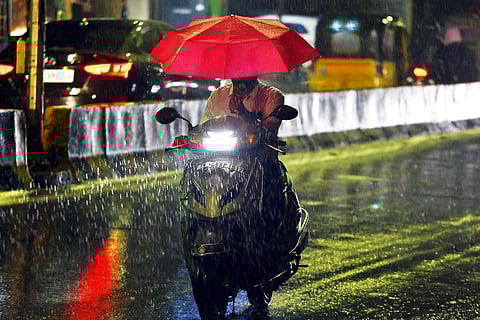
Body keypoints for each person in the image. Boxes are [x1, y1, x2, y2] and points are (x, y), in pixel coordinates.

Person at [201, 76, 301, 251]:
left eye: (246, 74)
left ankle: (273, 243)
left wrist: (243, 113)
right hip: (219, 162)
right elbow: (203, 127)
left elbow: (269, 128)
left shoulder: (272, 96)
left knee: (271, 189)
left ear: (254, 73)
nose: (241, 80)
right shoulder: (218, 96)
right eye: (237, 75)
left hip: (258, 161)